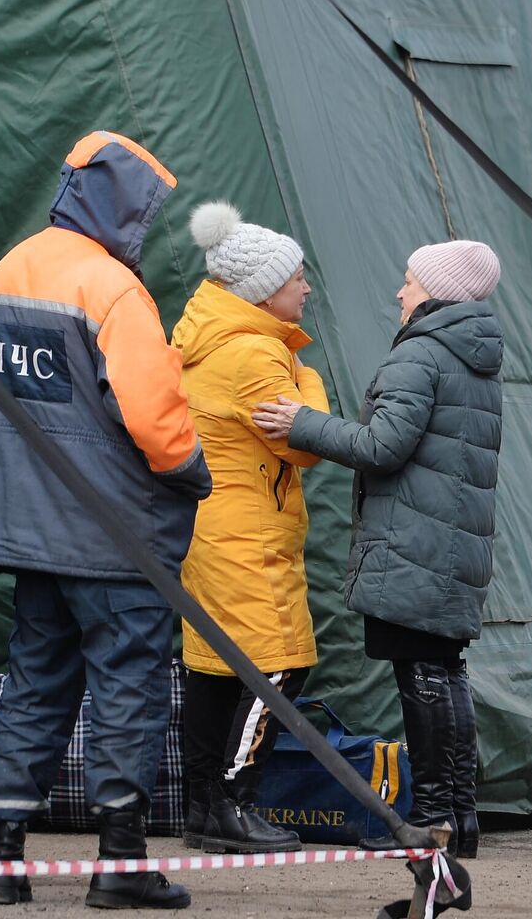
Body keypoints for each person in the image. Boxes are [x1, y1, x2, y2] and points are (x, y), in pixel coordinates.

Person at [0, 130, 211, 910]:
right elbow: (155, 418)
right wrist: (191, 475)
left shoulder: (11, 268)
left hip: (30, 533)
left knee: (35, 683)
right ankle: (121, 861)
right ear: (119, 203)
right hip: (113, 539)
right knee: (126, 690)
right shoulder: (111, 288)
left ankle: (4, 860)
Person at [252, 239, 503, 859]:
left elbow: (383, 446)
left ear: (437, 293)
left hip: (413, 542)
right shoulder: (474, 355)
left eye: (411, 282)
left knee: (422, 675)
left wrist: (301, 424)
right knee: (446, 672)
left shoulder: (422, 353)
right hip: (450, 543)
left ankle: (432, 819)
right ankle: (460, 816)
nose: (400, 292)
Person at [172, 201, 330, 854]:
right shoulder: (258, 358)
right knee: (282, 665)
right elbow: (305, 443)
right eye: (297, 277)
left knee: (215, 669)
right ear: (265, 291)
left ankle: (203, 808)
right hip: (250, 537)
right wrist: (311, 379)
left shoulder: (205, 341)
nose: (307, 287)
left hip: (208, 531)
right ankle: (235, 802)